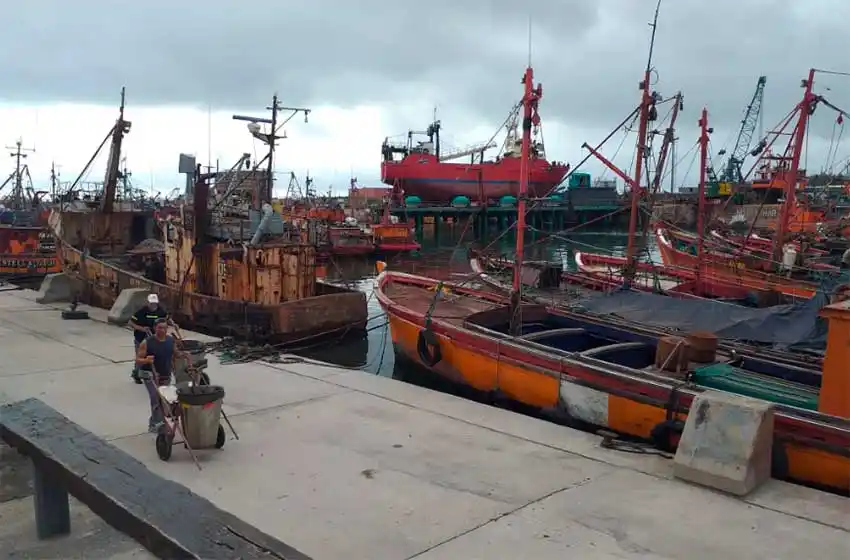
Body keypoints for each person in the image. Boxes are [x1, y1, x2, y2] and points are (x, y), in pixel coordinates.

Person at [136, 318, 187, 433]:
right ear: (155, 328)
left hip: (165, 374)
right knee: (155, 397)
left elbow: (175, 353)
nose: (162, 330)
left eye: (164, 328)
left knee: (164, 399)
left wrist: (183, 355)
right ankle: (157, 424)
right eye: (160, 327)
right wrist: (146, 360)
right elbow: (138, 360)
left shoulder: (170, 340)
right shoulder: (147, 342)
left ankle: (154, 421)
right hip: (149, 374)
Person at [129, 294, 169, 384]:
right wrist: (142, 328)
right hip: (141, 338)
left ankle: (155, 374)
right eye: (151, 303)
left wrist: (173, 324)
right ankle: (136, 374)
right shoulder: (141, 312)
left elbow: (167, 319)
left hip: (154, 339)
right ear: (147, 303)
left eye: (154, 303)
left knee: (155, 357)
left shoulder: (160, 312)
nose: (153, 305)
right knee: (141, 357)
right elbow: (131, 323)